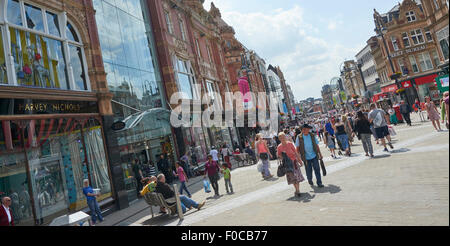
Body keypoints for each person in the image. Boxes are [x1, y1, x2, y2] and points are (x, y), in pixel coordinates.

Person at [277, 132, 305, 197]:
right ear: (279, 139)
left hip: (294, 162)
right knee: (292, 178)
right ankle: (297, 189)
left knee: (297, 177)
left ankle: (298, 190)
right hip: (287, 164)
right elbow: (279, 156)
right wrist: (281, 155)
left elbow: (295, 152)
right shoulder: (279, 147)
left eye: (283, 137)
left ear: (285, 137)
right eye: (281, 137)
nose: (282, 138)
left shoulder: (290, 144)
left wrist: (300, 161)